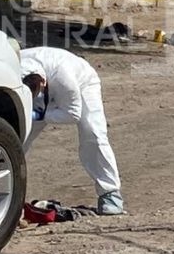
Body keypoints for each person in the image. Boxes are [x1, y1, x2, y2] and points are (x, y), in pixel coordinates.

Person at [20, 46, 124, 215]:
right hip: (34, 96)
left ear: (42, 82)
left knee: (92, 133)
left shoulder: (64, 77)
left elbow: (72, 114)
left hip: (83, 85)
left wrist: (41, 115)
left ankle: (110, 193)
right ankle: (2, 194)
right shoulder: (15, 68)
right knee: (16, 138)